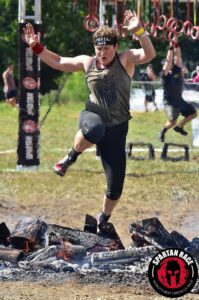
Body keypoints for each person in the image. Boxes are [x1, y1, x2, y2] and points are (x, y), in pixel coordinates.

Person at [23, 10, 156, 230]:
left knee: (116, 187)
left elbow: (149, 54)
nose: (102, 53)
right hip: (92, 115)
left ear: (114, 47)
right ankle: (70, 157)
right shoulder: (88, 62)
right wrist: (36, 46)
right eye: (98, 48)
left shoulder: (125, 59)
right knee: (94, 128)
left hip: (117, 128)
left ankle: (104, 217)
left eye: (106, 48)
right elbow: (58, 61)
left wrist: (140, 32)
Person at [158, 37, 197, 143]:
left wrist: (176, 43)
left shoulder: (177, 69)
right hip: (169, 102)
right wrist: (170, 46)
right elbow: (169, 59)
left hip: (179, 100)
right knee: (172, 120)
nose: (167, 64)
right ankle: (162, 132)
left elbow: (178, 56)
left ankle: (180, 127)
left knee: (193, 113)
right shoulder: (164, 75)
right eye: (165, 64)